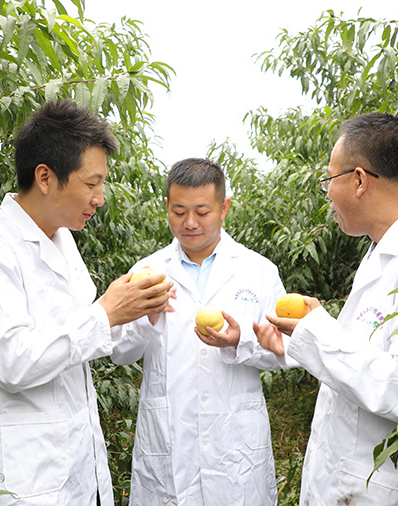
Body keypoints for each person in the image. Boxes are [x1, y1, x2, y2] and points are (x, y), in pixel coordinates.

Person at [255, 112, 398, 505]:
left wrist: (318, 333)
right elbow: (371, 354)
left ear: (360, 180)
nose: (328, 194)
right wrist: (302, 340)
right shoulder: (385, 252)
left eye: (329, 180)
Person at [0, 99, 173, 505]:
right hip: (18, 474)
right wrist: (106, 312)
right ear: (45, 177)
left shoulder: (63, 241)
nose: (99, 198)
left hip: (76, 468)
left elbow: (81, 340)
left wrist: (135, 312)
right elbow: (13, 361)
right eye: (91, 183)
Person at [112, 158, 286, 505]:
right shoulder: (147, 271)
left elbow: (284, 350)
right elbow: (120, 352)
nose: (190, 223)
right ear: (167, 206)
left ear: (224, 207)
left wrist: (241, 341)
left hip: (236, 447)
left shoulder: (258, 271)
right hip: (169, 441)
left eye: (202, 212)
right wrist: (147, 318)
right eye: (179, 212)